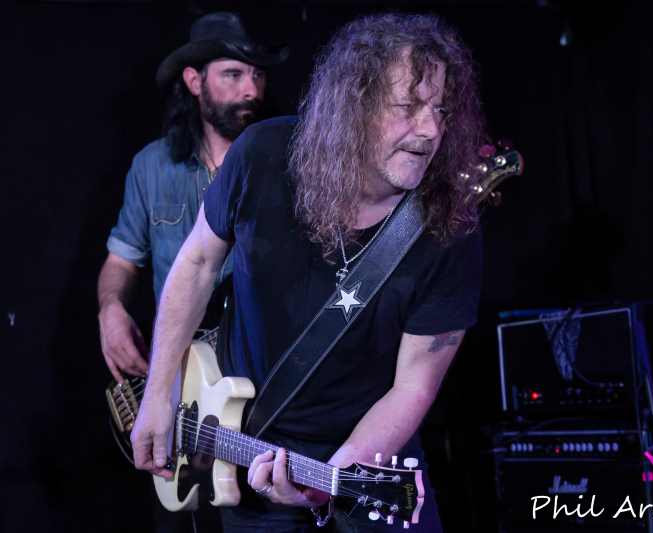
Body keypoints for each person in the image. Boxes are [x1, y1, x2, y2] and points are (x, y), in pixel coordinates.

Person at [132, 13, 485, 532]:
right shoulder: (263, 155)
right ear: (354, 104)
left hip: (371, 463)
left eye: (441, 110)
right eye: (408, 106)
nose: (431, 130)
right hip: (248, 453)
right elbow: (198, 262)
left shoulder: (450, 225)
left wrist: (334, 477)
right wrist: (159, 393)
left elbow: (414, 385)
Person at [98, 11, 287, 384]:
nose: (251, 90)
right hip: (180, 376)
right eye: (233, 74)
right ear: (194, 81)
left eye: (258, 75)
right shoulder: (151, 166)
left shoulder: (283, 166)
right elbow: (121, 261)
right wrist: (111, 308)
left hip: (260, 374)